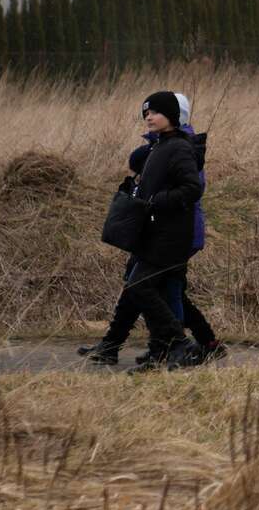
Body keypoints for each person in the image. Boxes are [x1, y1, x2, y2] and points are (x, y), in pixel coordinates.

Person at [83, 92, 203, 369]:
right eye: (146, 113)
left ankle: (180, 344)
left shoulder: (181, 148)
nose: (148, 116)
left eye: (155, 112)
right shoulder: (161, 146)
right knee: (136, 287)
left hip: (171, 235)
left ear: (172, 116)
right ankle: (119, 347)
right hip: (154, 233)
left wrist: (156, 201)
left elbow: (192, 188)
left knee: (140, 287)